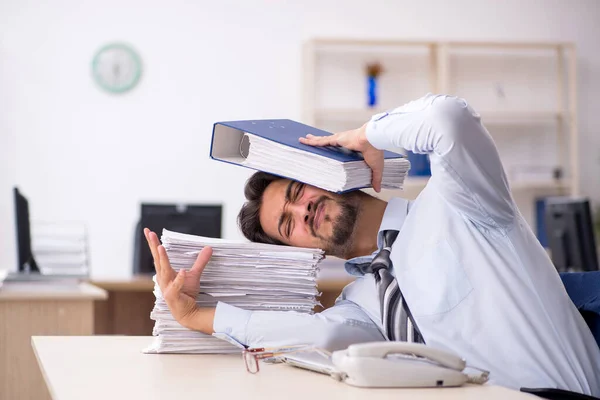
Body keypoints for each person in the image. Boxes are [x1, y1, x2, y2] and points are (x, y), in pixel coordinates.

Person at [144, 93, 600, 396]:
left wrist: (367, 136)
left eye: (298, 191)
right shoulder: (361, 301)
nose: (301, 211)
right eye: (287, 225)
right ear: (298, 248)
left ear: (325, 170)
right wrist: (196, 316)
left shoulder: (458, 201)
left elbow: (450, 121)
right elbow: (318, 335)